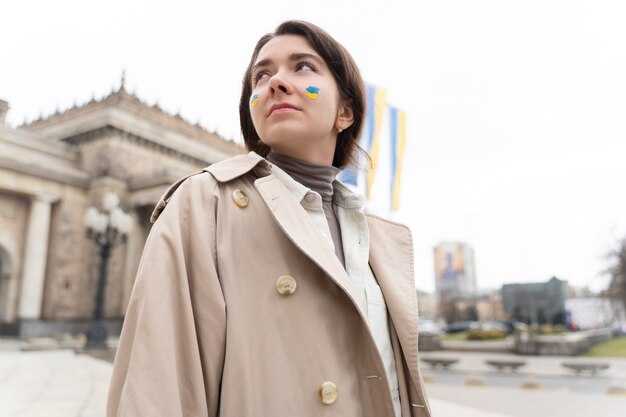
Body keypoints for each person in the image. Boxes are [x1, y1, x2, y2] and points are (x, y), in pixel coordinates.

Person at [106, 19, 431, 417]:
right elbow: (157, 387)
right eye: (261, 76)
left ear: (345, 111)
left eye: (303, 66)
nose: (275, 82)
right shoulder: (203, 204)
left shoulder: (378, 240)